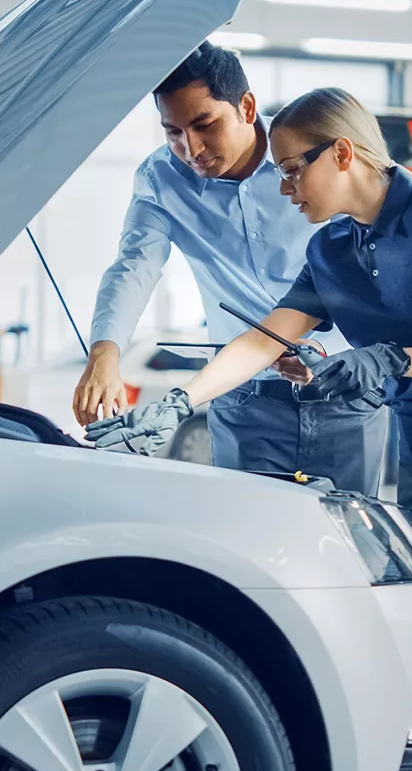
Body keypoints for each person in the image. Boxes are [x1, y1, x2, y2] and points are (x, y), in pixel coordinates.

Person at [87, 86, 412, 771]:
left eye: (294, 170)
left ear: (343, 153)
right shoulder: (333, 246)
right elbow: (267, 338)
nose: (284, 185)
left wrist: (390, 359)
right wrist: (181, 401)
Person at [73, 48, 387, 493]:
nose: (192, 149)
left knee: (353, 543)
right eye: (173, 132)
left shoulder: (307, 161)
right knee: (248, 536)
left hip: (343, 386)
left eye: (205, 125)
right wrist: (105, 352)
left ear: (247, 107)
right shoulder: (161, 178)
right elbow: (135, 265)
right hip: (243, 398)